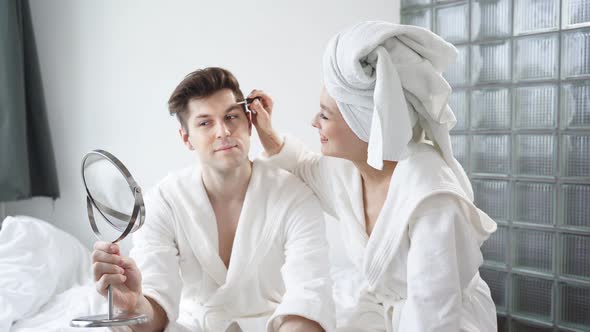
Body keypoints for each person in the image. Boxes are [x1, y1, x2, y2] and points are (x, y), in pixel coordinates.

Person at [248, 21, 498, 332]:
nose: (314, 122)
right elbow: (301, 168)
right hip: (385, 315)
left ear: (366, 125)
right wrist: (267, 134)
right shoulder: (348, 170)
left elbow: (433, 316)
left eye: (325, 115)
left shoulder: (432, 198)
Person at [91, 67, 335, 332]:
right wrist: (134, 306)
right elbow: (155, 310)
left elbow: (309, 296)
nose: (223, 131)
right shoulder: (164, 201)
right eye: (205, 123)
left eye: (231, 117)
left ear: (250, 123)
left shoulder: (293, 195)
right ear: (187, 139)